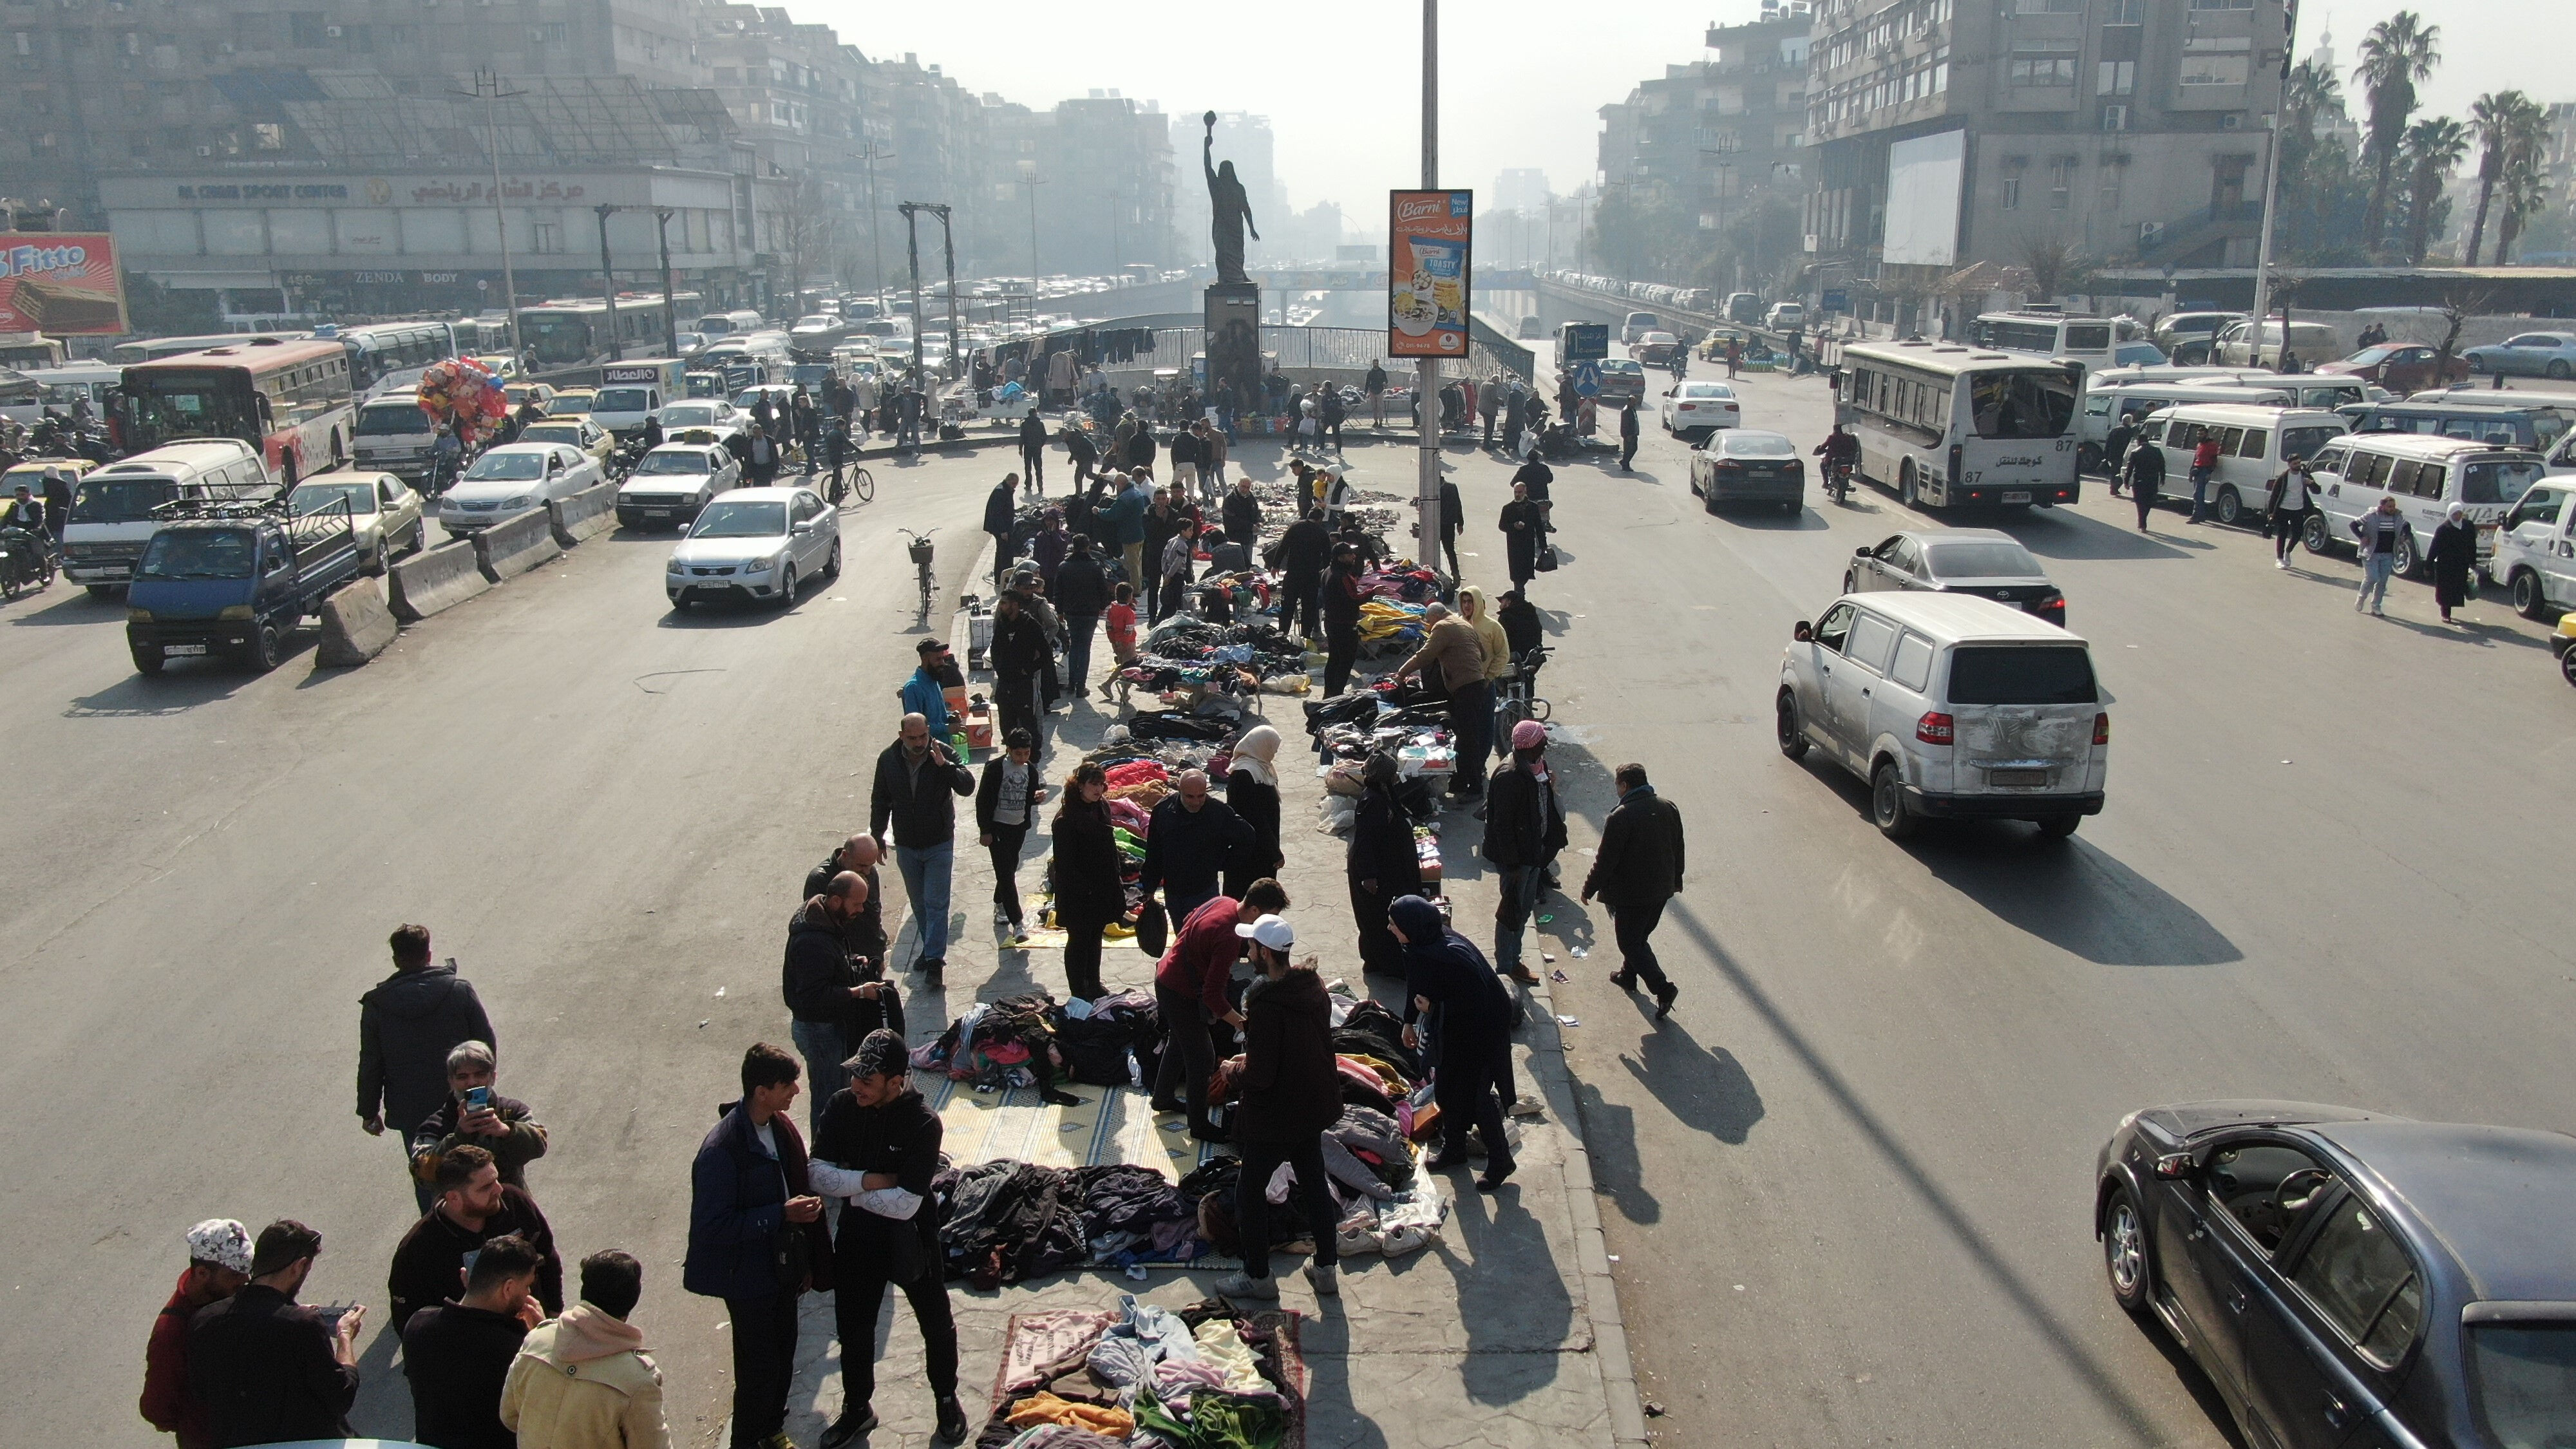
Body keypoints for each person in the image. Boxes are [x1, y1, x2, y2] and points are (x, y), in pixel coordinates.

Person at [808, 1030, 970, 1447]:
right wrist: (870, 1181)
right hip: (858, 1240)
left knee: (935, 1323)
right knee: (854, 1328)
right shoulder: (843, 1106)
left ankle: (947, 1399)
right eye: (855, 1077)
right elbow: (816, 1174)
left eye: (867, 1080)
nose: (856, 1086)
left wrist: (849, 1188)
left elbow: (905, 1205)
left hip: (912, 1240)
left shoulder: (922, 1122)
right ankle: (858, 1408)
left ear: (895, 1082)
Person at [685, 1045, 831, 1449]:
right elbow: (713, 1226)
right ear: (762, 1091)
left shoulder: (776, 1127)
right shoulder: (721, 1150)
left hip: (781, 1267)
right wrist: (780, 1214)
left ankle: (771, 1429)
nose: (797, 1091)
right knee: (756, 1370)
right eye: (787, 1085)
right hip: (747, 1278)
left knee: (784, 1356)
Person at [1209, 913, 1343, 1301]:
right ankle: (1326, 1269)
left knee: (1249, 1190)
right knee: (1314, 1182)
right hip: (1312, 1104)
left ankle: (1257, 1277)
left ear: (1264, 952)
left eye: (1251, 946)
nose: (1247, 951)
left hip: (1277, 1114)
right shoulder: (1312, 987)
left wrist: (1232, 1070)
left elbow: (1262, 1074)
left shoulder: (1267, 1005)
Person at [360, 923, 498, 1213]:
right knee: (478, 1162)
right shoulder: (459, 991)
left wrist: (369, 1111)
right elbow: (485, 1045)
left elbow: (372, 1061)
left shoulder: (378, 1005)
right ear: (429, 954)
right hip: (467, 1100)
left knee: (428, 1173)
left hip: (413, 1109)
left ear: (397, 959)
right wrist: (482, 1087)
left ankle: (438, 1229)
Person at [187, 1220, 361, 1448]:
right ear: (298, 1267)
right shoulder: (302, 1325)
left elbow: (201, 1393)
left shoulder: (204, 1320)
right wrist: (345, 1335)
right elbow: (341, 1396)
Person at [1388, 895, 1517, 1192]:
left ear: (1411, 926)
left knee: (1477, 1094)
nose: (1389, 929)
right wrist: (1409, 1020)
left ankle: (1501, 1160)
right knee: (1445, 1085)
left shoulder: (1452, 957)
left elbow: (1476, 1004)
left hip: (1482, 1027)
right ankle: (1454, 1148)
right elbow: (1416, 984)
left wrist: (1432, 1010)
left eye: (1394, 924)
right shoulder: (1417, 945)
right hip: (1454, 1028)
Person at [1151, 882, 1288, 1141]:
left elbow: (1190, 920)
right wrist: (1245, 1025)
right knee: (1202, 1057)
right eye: (1270, 916)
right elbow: (1214, 996)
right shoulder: (1228, 937)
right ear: (1255, 909)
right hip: (1179, 991)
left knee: (1179, 1043)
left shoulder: (1224, 901)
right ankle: (1199, 1125)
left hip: (1168, 975)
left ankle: (1163, 1097)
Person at [500, 1250, 671, 1449]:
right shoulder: (638, 1380)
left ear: (585, 1290)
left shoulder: (537, 1338)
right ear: (633, 1300)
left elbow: (509, 1416)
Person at [390, 1145, 563, 1334]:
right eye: (486, 1187)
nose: (498, 1190)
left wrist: (554, 1311)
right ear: (454, 1198)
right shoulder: (417, 1250)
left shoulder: (515, 1203)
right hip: (473, 1349)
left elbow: (548, 1257)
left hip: (534, 1330)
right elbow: (409, 1322)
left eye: (496, 1179)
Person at [402, 1233, 544, 1449]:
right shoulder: (517, 1349)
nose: (528, 1293)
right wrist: (541, 1334)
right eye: (527, 1286)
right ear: (507, 1289)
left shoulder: (418, 1326)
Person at [784, 871, 897, 1135]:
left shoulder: (824, 921)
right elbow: (814, 996)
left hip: (827, 1026)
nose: (860, 910)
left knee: (839, 1092)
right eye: (856, 904)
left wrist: (852, 961)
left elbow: (829, 967)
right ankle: (824, 1157)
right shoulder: (813, 941)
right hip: (819, 1031)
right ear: (836, 900)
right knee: (829, 1099)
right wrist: (858, 992)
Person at [871, 714, 976, 988]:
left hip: (939, 842)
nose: (919, 743)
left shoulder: (943, 753)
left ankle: (934, 962)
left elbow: (967, 785)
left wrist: (945, 767)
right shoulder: (889, 760)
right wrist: (877, 836)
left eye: (923, 737)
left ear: (929, 732)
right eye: (912, 738)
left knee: (936, 903)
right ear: (902, 735)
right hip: (906, 844)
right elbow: (880, 800)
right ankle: (930, 950)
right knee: (919, 904)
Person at [1584, 764, 1685, 1019]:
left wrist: (1589, 888)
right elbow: (1678, 847)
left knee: (1629, 941)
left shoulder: (1621, 817)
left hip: (1632, 895)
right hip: (1662, 890)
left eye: (1617, 785)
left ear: (1625, 786)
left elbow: (1605, 861)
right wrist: (1676, 881)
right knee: (1638, 938)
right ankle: (1628, 975)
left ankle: (1663, 988)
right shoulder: (1668, 806)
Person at [142, 1218, 252, 1449]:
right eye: (235, 1274)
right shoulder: (171, 1333)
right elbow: (158, 1407)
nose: (245, 1281)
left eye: (247, 1271)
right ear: (203, 1273)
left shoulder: (229, 1296)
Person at [408, 1039, 548, 1195]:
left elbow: (539, 1145)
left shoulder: (512, 1111)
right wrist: (459, 1138)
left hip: (511, 1206)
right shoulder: (435, 1125)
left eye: (480, 1074)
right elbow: (422, 1174)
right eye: (462, 1077)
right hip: (461, 1213)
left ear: (493, 1077)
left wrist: (506, 1131)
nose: (472, 1082)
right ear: (451, 1082)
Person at [1484, 720, 1565, 985]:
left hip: (1534, 853)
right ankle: (1506, 967)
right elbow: (1502, 826)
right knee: (1511, 913)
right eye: (1542, 740)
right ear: (1531, 746)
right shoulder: (1510, 775)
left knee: (1524, 908)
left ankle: (1513, 959)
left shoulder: (1537, 766)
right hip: (1517, 860)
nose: (1546, 744)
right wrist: (1514, 866)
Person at [1393, 601, 1491, 800]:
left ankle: (1475, 789)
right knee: (1464, 736)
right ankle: (1460, 782)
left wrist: (1401, 674)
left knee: (1468, 738)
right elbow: (1483, 654)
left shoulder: (1443, 627)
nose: (1428, 626)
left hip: (1466, 688)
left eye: (1428, 621)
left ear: (1436, 617)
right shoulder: (1463, 624)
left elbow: (1425, 655)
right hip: (1476, 685)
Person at [1049, 762, 1125, 1003]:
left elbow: (1108, 846)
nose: (1098, 789)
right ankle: (1078, 990)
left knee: (1095, 936)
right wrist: (1087, 889)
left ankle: (1093, 982)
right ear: (1080, 785)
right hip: (1078, 893)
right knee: (1079, 939)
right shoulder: (1066, 819)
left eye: (1102, 784)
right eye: (1093, 784)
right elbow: (1065, 866)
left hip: (1101, 886)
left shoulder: (1101, 807)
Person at [1142, 769, 1255, 923]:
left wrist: (1222, 862)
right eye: (1190, 796)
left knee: (1204, 938)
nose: (1196, 802)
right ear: (1179, 790)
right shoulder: (1163, 811)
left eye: (1201, 796)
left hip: (1204, 891)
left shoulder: (1217, 812)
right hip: (1174, 893)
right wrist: (1149, 887)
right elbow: (1154, 852)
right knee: (1182, 938)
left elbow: (1247, 837)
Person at [1345, 752, 1421, 978]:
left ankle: (1383, 962)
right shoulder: (1373, 802)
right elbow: (1365, 841)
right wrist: (1369, 876)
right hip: (1375, 874)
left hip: (1387, 867)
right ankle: (1385, 965)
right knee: (1377, 921)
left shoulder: (1382, 794)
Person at [976, 729, 1049, 946]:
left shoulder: (1031, 771)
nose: (1023, 758)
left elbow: (1029, 798)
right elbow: (983, 800)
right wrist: (985, 830)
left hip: (1018, 828)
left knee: (1011, 866)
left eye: (1026, 753)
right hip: (998, 828)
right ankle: (1018, 923)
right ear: (1009, 750)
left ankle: (1000, 902)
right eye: (1018, 754)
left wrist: (1037, 798)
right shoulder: (996, 769)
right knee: (1006, 874)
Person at [803, 833, 891, 973]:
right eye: (862, 866)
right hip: (838, 958)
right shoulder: (820, 880)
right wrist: (847, 958)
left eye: (870, 866)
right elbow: (816, 926)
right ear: (845, 855)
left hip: (867, 954)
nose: (867, 872)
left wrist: (877, 956)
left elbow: (873, 915)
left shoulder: (869, 872)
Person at [1222, 724, 1285, 898]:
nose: (1273, 753)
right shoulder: (1244, 774)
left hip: (1262, 851)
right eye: (1272, 748)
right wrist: (1274, 852)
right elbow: (1255, 820)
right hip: (1250, 854)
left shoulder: (1261, 767)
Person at [1053, 538, 1109, 712]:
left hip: (1071, 613)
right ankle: (1080, 685)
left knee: (1074, 646)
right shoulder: (1095, 567)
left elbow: (1058, 592)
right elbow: (1104, 590)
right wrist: (1101, 606)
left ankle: (1072, 682)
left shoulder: (1064, 567)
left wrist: (1060, 611)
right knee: (1085, 647)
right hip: (1090, 613)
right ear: (1087, 547)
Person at [988, 591, 1049, 746]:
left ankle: (1032, 759)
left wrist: (1028, 670)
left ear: (1015, 605)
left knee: (1029, 726)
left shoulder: (1030, 625)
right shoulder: (1002, 624)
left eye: (1004, 603)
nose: (1001, 607)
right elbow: (994, 649)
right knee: (1006, 726)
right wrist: (1000, 668)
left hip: (1024, 685)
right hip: (1004, 684)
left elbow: (1046, 655)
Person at [1458, 587, 1512, 757]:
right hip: (1461, 686)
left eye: (1470, 601)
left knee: (1485, 728)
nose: (1467, 606)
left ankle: (1480, 763)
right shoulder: (1457, 624)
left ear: (1478, 603)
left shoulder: (1492, 627)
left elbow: (1503, 655)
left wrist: (1489, 677)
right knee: (1464, 728)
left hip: (1484, 686)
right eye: (1464, 602)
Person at [1275, 507, 1333, 645]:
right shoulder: (1322, 533)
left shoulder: (1295, 527)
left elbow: (1282, 547)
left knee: (1287, 606)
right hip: (1311, 577)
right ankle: (1306, 637)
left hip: (1293, 575)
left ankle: (1282, 634)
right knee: (1309, 608)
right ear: (1319, 519)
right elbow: (1327, 559)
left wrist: (1275, 566)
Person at [1320, 540, 1366, 697]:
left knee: (1334, 659)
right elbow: (1353, 599)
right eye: (1349, 555)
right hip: (1344, 625)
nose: (1353, 557)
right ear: (1340, 558)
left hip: (1331, 622)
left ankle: (1329, 695)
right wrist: (1373, 592)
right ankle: (1336, 696)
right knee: (1345, 662)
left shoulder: (1328, 571)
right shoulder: (1341, 576)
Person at [2351, 495, 2408, 616]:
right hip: (2371, 553)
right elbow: (2353, 525)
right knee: (2372, 578)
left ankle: (2376, 606)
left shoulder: (2397, 517)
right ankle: (2361, 598)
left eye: (2393, 506)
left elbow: (2406, 527)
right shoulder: (2371, 516)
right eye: (2389, 506)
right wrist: (2362, 537)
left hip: (2388, 554)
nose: (2392, 509)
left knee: (2382, 581)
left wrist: (2403, 537)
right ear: (2382, 506)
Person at [2429, 501, 2478, 625]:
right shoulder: (2443, 529)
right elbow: (2434, 548)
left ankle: (2449, 610)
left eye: (2460, 513)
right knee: (2445, 590)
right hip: (2445, 565)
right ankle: (2446, 613)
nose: (2458, 516)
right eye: (2455, 514)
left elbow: (2472, 545)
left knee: (2457, 588)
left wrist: (2473, 561)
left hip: (2461, 564)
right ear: (2450, 514)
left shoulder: (2468, 526)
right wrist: (2428, 565)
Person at [898, 639, 955, 741]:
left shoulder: (934, 679)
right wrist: (946, 728)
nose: (942, 663)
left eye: (943, 659)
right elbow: (915, 727)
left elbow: (936, 716)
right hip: (926, 750)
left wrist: (950, 716)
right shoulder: (914, 688)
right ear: (925, 659)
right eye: (938, 659)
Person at [2268, 455, 2316, 569]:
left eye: (2299, 463)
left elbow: (2318, 490)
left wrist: (2311, 483)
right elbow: (2274, 495)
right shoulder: (2283, 478)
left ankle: (2288, 552)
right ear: (2289, 465)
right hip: (2283, 509)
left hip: (2298, 509)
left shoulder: (2304, 475)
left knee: (2298, 533)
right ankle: (2279, 559)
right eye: (2295, 464)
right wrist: (2271, 512)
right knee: (2282, 533)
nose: (2298, 465)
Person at [1108, 471, 1153, 591]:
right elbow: (1147, 501)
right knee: (1138, 563)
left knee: (1132, 565)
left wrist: (1099, 512)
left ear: (1120, 484)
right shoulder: (1137, 493)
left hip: (1129, 536)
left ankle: (1136, 589)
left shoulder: (1125, 498)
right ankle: (1139, 584)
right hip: (1139, 533)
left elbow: (1113, 514)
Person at [1499, 482, 1544, 594]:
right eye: (1516, 492)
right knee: (1516, 576)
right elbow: (1502, 526)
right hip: (1514, 547)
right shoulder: (1508, 508)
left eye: (1520, 492)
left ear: (1525, 492)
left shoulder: (1533, 508)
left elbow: (1539, 527)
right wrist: (1514, 526)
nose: (1517, 495)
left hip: (1528, 547)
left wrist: (1544, 545)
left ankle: (1520, 592)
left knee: (1526, 574)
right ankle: (1519, 596)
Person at [1101, 581, 1140, 701]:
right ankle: (1110, 685)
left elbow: (1108, 627)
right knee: (1128, 667)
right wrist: (1125, 643)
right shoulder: (1128, 613)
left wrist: (1113, 642)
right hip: (1128, 643)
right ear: (1129, 596)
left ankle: (1123, 692)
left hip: (1117, 640)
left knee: (1123, 665)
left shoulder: (1112, 609)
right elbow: (1129, 630)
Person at [983, 471, 1021, 593]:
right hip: (1001, 529)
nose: (1015, 486)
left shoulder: (1004, 489)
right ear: (1008, 480)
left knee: (1001, 553)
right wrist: (1003, 531)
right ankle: (1005, 580)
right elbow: (997, 514)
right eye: (1014, 483)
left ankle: (1000, 580)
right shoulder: (1001, 492)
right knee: (1005, 554)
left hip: (1001, 528)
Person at [2125, 433, 2164, 532]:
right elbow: (2162, 467)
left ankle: (2142, 524)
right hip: (2152, 481)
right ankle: (2143, 522)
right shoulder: (2157, 451)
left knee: (2140, 503)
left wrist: (2126, 481)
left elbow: (2129, 468)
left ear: (2139, 441)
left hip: (2139, 481)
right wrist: (2162, 479)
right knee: (2148, 503)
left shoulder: (2135, 452)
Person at [1497, 588, 1543, 661]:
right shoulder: (1531, 612)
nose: (1500, 606)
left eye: (1502, 602)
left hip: (1514, 657)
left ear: (1508, 602)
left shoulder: (1505, 617)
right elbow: (1539, 631)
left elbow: (1502, 639)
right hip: (1533, 655)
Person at [1434, 473, 1465, 579]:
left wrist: (1460, 522)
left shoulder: (1433, 489)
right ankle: (1455, 574)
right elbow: (1458, 505)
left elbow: (1458, 504)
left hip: (1439, 524)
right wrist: (1460, 523)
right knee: (1450, 551)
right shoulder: (1451, 487)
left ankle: (1455, 574)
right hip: (1448, 525)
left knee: (1447, 550)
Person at [2187, 429, 2221, 524]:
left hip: (2204, 470)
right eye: (2198, 434)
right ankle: (2200, 516)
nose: (2199, 436)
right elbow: (2195, 459)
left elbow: (2214, 460)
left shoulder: (2212, 445)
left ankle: (2196, 516)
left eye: (2201, 434)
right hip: (2197, 470)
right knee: (2197, 494)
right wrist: (2191, 472)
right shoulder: (2199, 445)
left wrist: (2209, 473)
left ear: (2206, 434)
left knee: (2198, 494)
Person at [1222, 475, 1262, 556]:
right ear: (1238, 485)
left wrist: (1258, 522)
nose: (1245, 490)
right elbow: (1231, 521)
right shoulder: (1230, 499)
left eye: (1248, 487)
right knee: (1237, 565)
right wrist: (1250, 526)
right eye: (1243, 487)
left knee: (1247, 566)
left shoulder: (1251, 497)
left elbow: (1256, 512)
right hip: (1235, 539)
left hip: (1249, 538)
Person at [2101, 416, 2138, 497]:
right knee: (2123, 473)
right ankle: (2114, 488)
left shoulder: (2115, 430)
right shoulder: (2130, 431)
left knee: (2114, 472)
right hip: (2124, 455)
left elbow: (2108, 443)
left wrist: (2106, 455)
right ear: (2130, 421)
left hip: (2113, 455)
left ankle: (2113, 487)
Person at [1018, 408, 1048, 494]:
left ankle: (1028, 485)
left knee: (1028, 468)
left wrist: (1020, 448)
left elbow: (1022, 438)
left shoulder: (1024, 424)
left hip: (1027, 448)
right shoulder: (1040, 424)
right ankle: (1040, 486)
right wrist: (1040, 444)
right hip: (1037, 449)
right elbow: (1045, 437)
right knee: (1038, 468)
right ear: (1035, 413)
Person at [1618, 398, 1640, 471]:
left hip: (1633, 433)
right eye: (1633, 402)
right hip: (1629, 435)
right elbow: (1626, 425)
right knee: (1629, 450)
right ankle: (1625, 464)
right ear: (1629, 402)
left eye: (1635, 402)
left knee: (1633, 449)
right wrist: (1628, 435)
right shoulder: (1626, 411)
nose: (1635, 404)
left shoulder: (1632, 409)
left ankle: (1625, 463)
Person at [1366, 361, 1388, 426]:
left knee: (1380, 407)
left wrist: (1384, 383)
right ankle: (1376, 421)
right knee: (1374, 407)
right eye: (1374, 363)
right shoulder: (1370, 373)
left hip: (1380, 391)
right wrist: (1366, 392)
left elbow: (1386, 380)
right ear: (1372, 364)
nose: (1376, 365)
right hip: (1372, 391)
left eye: (1377, 363)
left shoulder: (1382, 372)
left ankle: (1381, 422)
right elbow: (1367, 383)